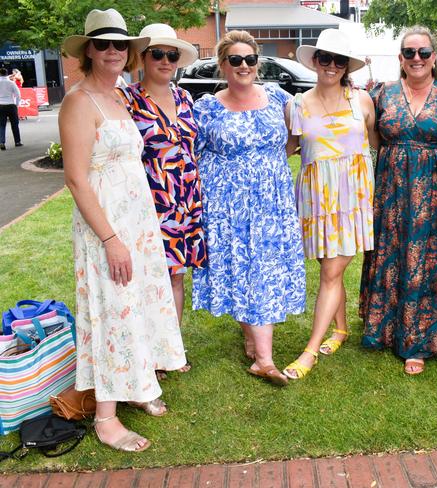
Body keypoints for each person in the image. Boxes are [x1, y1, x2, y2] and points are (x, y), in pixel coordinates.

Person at [60, 8, 187, 451]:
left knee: (139, 302)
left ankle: (140, 381)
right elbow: (76, 179)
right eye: (103, 44)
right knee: (112, 308)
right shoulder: (79, 101)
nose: (112, 51)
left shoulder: (119, 97)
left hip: (138, 222)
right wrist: (111, 239)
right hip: (106, 227)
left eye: (120, 44)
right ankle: (107, 417)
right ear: (89, 51)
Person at [192, 30, 306, 386]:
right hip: (228, 205)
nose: (244, 66)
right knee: (242, 268)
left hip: (271, 202)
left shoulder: (277, 97)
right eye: (235, 60)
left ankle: (263, 356)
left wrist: (268, 167)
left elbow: (296, 136)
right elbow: (192, 153)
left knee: (265, 269)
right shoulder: (206, 108)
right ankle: (260, 350)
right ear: (222, 65)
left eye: (250, 59)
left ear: (258, 63)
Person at [359, 25, 437, 375]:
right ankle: (382, 327)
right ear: (400, 58)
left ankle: (416, 339)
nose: (417, 58)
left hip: (433, 191)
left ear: (434, 58)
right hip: (391, 189)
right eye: (410, 52)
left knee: (426, 258)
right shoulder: (381, 93)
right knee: (390, 252)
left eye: (424, 52)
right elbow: (369, 137)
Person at [282, 29, 377, 380]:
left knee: (331, 272)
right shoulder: (296, 104)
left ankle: (309, 352)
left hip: (353, 197)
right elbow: (289, 148)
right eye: (326, 58)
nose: (332, 66)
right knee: (327, 264)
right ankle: (340, 329)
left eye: (339, 61)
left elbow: (377, 143)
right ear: (315, 61)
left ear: (346, 66)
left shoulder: (362, 101)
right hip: (315, 196)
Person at [119, 24, 206, 349]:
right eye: (157, 53)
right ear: (141, 57)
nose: (166, 60)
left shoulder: (184, 97)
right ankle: (145, 348)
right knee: (147, 276)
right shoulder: (127, 99)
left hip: (185, 201)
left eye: (172, 55)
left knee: (176, 276)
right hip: (149, 201)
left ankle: (171, 348)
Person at [0, 67, 22, 150]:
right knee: (15, 124)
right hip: (11, 105)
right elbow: (18, 95)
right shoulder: (11, 83)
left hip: (0, 105)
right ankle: (17, 141)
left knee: (1, 125)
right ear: (6, 73)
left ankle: (2, 142)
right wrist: (16, 104)